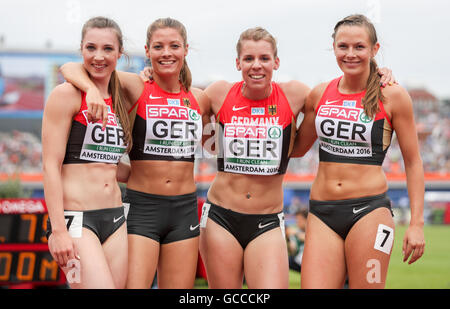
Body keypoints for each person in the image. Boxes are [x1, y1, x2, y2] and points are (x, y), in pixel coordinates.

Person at [60, 17, 210, 289]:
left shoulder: (200, 98)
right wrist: (91, 90)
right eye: (158, 46)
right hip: (143, 208)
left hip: (185, 209)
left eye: (174, 46)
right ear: (147, 50)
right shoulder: (135, 86)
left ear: (185, 50)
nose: (166, 53)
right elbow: (70, 67)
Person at [292, 14, 425, 289]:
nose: (350, 54)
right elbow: (295, 150)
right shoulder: (319, 94)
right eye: (343, 46)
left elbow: (413, 163)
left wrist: (417, 224)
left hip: (370, 212)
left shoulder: (394, 96)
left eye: (359, 47)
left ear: (375, 50)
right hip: (321, 213)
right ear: (334, 48)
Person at [42, 16, 131, 289]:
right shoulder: (65, 95)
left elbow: (111, 166)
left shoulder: (120, 100)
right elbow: (49, 166)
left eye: (107, 49)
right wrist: (58, 231)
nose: (98, 56)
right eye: (91, 48)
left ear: (119, 53)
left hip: (116, 219)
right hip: (75, 223)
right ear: (81, 48)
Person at [286, 208, 307, 272]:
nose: (297, 222)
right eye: (297, 220)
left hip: (311, 262)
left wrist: (296, 233)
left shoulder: (314, 229)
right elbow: (293, 250)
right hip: (299, 261)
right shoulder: (298, 231)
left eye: (300, 220)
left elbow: (309, 238)